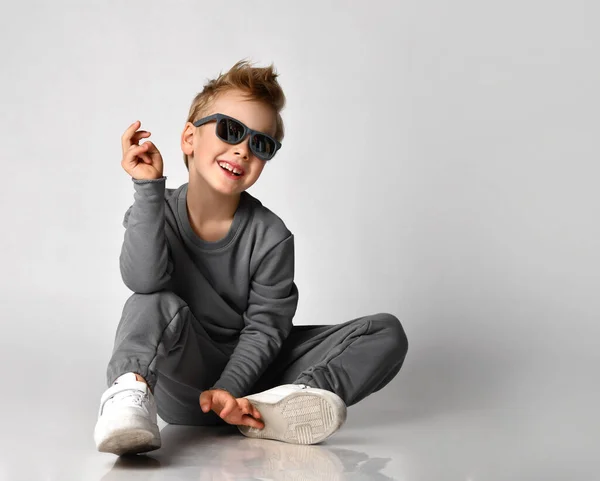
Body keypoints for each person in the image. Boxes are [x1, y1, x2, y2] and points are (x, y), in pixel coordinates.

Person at [93, 59, 409, 456]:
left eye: (259, 144)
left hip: (255, 379)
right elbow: (143, 281)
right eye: (230, 130)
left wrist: (232, 387)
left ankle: (290, 402)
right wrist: (147, 187)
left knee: (385, 331)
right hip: (184, 379)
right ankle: (128, 397)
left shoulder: (271, 236)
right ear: (189, 138)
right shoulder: (154, 209)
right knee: (152, 302)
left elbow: (265, 329)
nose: (242, 149)